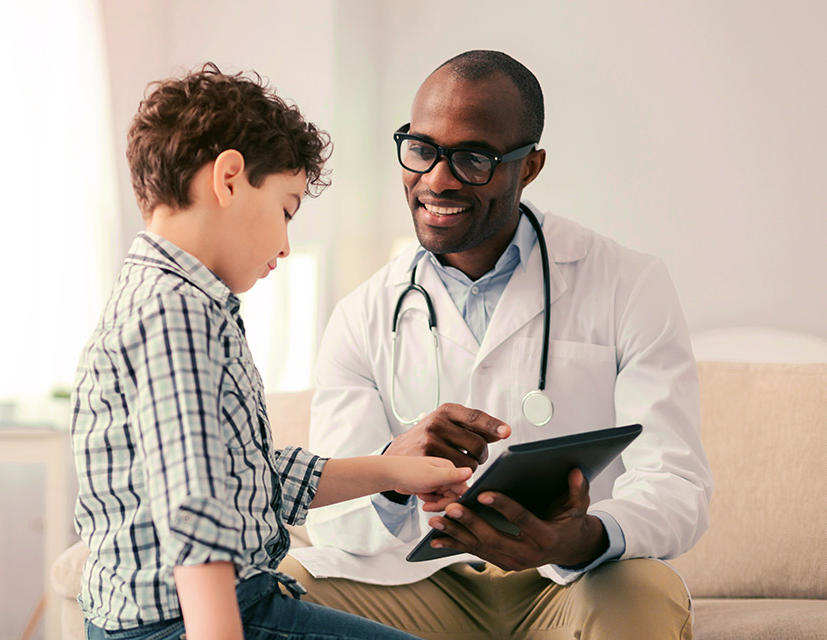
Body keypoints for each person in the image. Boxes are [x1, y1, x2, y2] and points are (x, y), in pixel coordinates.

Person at [280, 50, 713, 639]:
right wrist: (391, 471)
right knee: (278, 588)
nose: (437, 178)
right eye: (422, 149)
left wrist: (582, 536)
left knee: (645, 592)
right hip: (425, 585)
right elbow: (334, 522)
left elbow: (674, 483)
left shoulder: (628, 283)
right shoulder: (363, 314)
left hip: (570, 580)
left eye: (473, 158)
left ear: (528, 167)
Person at [70, 63, 476, 640]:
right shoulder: (174, 312)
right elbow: (196, 507)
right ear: (229, 178)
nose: (286, 247)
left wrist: (392, 470)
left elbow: (249, 477)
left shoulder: (172, 302)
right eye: (286, 210)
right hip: (194, 622)